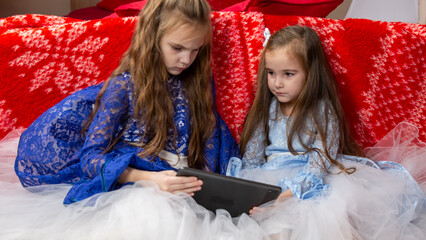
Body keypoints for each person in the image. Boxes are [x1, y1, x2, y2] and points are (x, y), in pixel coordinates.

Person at [0, 0, 267, 239]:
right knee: (158, 219)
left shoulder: (197, 83)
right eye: (177, 47)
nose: (186, 59)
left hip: (186, 185)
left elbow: (209, 143)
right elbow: (91, 157)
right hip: (141, 185)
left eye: (195, 50)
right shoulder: (124, 87)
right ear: (153, 38)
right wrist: (149, 180)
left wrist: (214, 188)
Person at [226, 25, 426, 239]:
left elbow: (320, 161)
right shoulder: (267, 109)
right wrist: (250, 191)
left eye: (288, 74)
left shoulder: (321, 110)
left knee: (319, 219)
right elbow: (252, 158)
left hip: (311, 181)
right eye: (271, 73)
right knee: (260, 227)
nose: (277, 83)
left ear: (310, 73)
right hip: (269, 179)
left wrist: (286, 196)